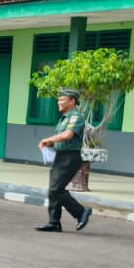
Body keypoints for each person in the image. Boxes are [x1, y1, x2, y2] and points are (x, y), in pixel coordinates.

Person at [37, 89, 93, 232]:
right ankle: (54, 222)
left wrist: (48, 139)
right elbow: (63, 138)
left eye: (62, 100)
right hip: (61, 155)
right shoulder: (64, 118)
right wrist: (51, 144)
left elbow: (68, 135)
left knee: (56, 189)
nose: (58, 102)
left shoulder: (76, 117)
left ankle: (81, 212)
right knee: (53, 189)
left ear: (72, 101)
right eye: (58, 100)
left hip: (70, 157)